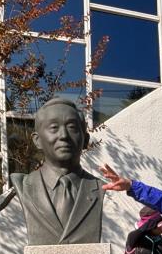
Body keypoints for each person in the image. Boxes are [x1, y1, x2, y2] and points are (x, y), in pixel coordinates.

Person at [11, 97, 105, 245]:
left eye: (72, 128)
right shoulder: (24, 185)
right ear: (37, 140)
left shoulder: (98, 187)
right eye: (54, 127)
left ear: (85, 140)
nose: (64, 136)